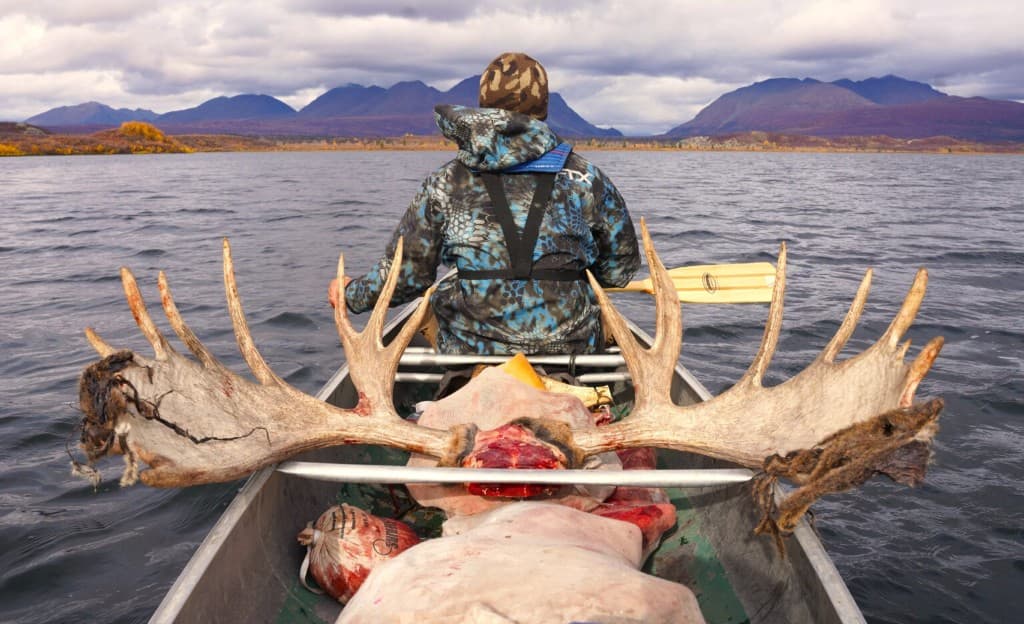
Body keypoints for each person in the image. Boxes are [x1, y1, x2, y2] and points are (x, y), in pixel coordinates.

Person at [328, 52, 639, 355]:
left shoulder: (445, 182)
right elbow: (618, 271)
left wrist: (349, 293)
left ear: (484, 104)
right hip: (573, 347)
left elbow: (407, 278)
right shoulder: (587, 178)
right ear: (544, 107)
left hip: (469, 349)